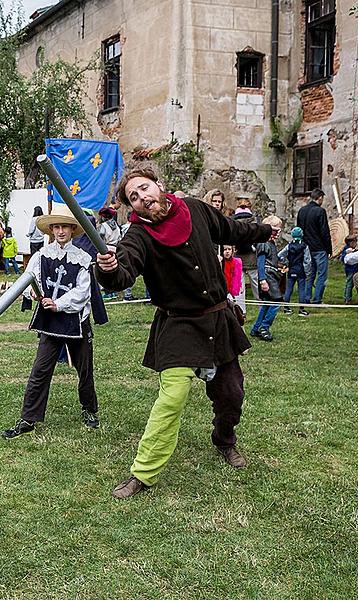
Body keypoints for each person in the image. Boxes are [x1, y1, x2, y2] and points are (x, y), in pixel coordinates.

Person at [96, 167, 277, 499]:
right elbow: (124, 270)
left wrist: (265, 230)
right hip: (179, 324)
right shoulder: (138, 236)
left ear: (159, 186)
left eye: (144, 188)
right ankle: (142, 473)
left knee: (231, 394)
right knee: (171, 399)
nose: (141, 198)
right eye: (133, 197)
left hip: (218, 319)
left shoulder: (194, 208)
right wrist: (108, 271)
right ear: (132, 208)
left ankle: (224, 441)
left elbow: (232, 229)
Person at [1, 203, 100, 439]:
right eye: (56, 227)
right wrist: (32, 293)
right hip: (50, 323)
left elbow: (82, 293)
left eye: (65, 227)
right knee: (40, 369)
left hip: (76, 321)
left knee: (84, 369)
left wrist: (59, 304)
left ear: (72, 230)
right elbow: (29, 279)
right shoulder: (41, 256)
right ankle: (28, 418)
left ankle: (89, 409)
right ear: (52, 230)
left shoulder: (83, 258)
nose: (60, 231)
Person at [250, 216, 285, 342]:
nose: (278, 233)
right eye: (276, 230)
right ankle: (264, 327)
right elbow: (260, 263)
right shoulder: (263, 243)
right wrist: (263, 280)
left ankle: (256, 328)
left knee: (267, 303)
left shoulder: (271, 244)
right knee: (276, 302)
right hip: (267, 276)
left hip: (272, 275)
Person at [296, 188, 332, 304]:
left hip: (306, 247)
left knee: (309, 274)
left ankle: (307, 298)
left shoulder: (302, 211)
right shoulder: (320, 211)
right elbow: (324, 231)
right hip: (319, 247)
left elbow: (299, 230)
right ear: (320, 198)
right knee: (322, 275)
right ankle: (317, 299)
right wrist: (329, 248)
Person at [279, 227, 311, 315]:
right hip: (301, 271)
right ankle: (301, 309)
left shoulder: (289, 245)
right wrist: (308, 272)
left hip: (291, 269)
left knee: (288, 289)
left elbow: (280, 255)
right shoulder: (304, 246)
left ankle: (286, 308)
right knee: (301, 290)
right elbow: (307, 261)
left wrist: (285, 262)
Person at [232, 199, 259, 300]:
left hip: (237, 255)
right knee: (256, 285)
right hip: (251, 255)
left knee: (239, 285)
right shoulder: (253, 220)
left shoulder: (233, 221)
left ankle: (241, 310)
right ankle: (261, 306)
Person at [222, 246, 244, 314]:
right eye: (225, 249)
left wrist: (239, 286)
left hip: (231, 289)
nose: (227, 251)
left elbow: (238, 276)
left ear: (232, 251)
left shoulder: (236, 262)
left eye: (229, 249)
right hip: (223, 288)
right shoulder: (220, 262)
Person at [339, 234, 358, 304]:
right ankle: (347, 298)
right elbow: (343, 258)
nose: (356, 244)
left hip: (354, 269)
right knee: (349, 284)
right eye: (354, 242)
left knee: (351, 284)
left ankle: (348, 297)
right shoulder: (347, 250)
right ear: (350, 243)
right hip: (350, 270)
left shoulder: (353, 250)